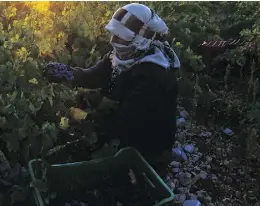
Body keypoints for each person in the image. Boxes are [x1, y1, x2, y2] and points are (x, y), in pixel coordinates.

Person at [44, 3, 180, 175]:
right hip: (126, 119)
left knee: (101, 172)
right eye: (113, 34)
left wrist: (81, 116)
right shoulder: (127, 53)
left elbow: (122, 122)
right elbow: (95, 75)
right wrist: (68, 73)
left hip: (146, 145)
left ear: (140, 38)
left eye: (120, 36)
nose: (113, 41)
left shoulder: (154, 76)